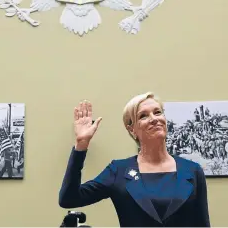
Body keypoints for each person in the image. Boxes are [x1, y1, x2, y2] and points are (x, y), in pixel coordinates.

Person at [59, 92, 211, 227]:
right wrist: (81, 145)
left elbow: (203, 224)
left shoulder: (192, 171)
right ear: (132, 129)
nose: (154, 119)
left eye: (158, 112)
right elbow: (68, 199)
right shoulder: (118, 171)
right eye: (143, 116)